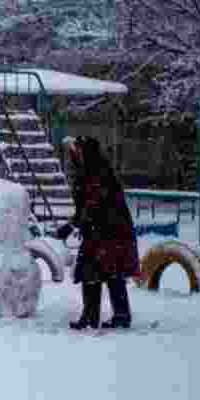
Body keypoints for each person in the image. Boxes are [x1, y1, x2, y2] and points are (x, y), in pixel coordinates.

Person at [56, 136, 140, 329]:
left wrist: (72, 225)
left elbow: (94, 204)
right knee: (104, 273)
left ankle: (102, 316)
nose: (73, 156)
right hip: (103, 231)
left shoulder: (98, 173)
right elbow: (87, 206)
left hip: (110, 231)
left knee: (98, 272)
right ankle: (106, 316)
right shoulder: (89, 171)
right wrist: (74, 223)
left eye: (77, 151)